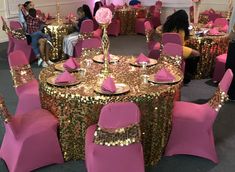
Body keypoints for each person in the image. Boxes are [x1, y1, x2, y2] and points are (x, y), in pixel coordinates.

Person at [162, 10, 200, 84]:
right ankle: (188, 74)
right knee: (197, 53)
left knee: (192, 50)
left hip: (166, 48)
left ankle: (186, 72)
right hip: (178, 49)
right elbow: (182, 43)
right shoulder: (181, 30)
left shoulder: (168, 25)